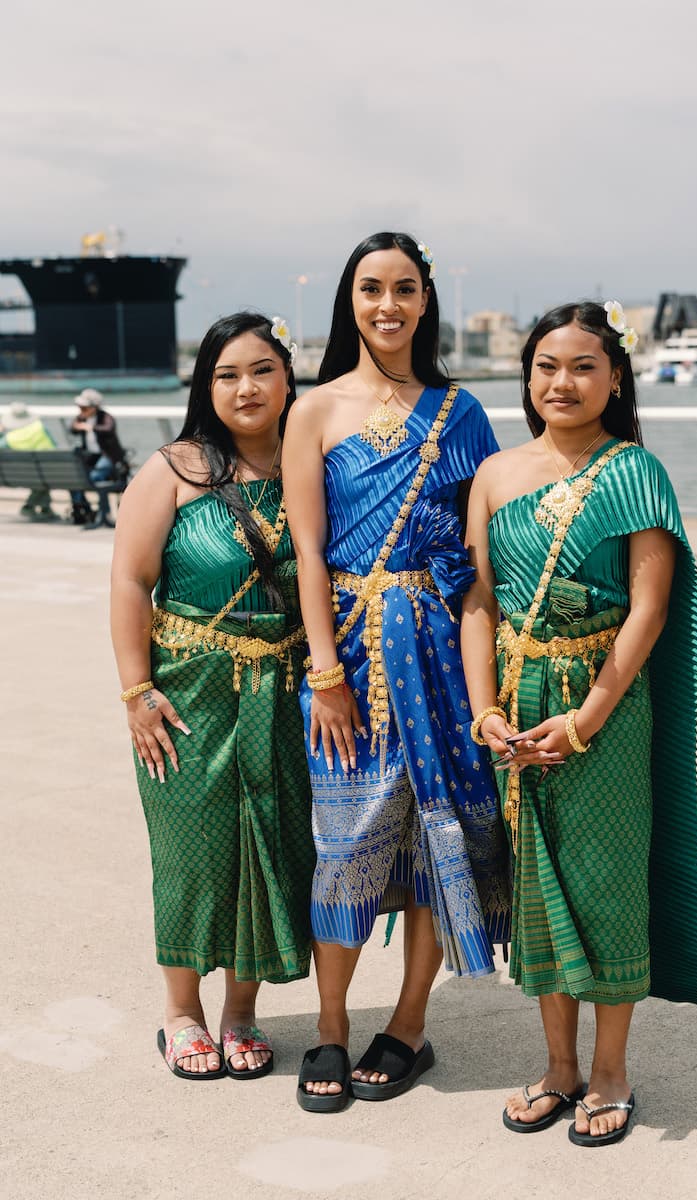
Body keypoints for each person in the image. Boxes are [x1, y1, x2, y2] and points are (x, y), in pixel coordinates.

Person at [461, 300, 697, 1147]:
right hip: (515, 707)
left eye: (583, 366)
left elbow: (648, 611)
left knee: (607, 883)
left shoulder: (634, 473)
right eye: (546, 365)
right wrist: (484, 707)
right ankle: (559, 1066)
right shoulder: (496, 475)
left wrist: (586, 719)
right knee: (538, 889)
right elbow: (477, 600)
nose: (563, 382)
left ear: (614, 378)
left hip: (604, 710)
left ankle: (612, 1069)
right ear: (528, 376)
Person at [282, 232, 510, 1112]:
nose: (388, 305)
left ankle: (409, 1023)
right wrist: (327, 668)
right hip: (350, 649)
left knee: (432, 839)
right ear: (350, 300)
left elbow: (488, 550)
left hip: (447, 653)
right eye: (371, 289)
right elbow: (308, 551)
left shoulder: (464, 411)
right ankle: (331, 1026)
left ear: (426, 300)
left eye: (404, 289)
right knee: (344, 844)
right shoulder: (316, 410)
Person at [110, 311, 315, 1080]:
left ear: (288, 377)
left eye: (261, 369)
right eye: (226, 374)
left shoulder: (312, 466)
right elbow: (130, 581)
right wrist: (136, 692)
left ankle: (241, 1011)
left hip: (287, 691)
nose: (246, 387)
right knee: (193, 852)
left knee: (271, 847)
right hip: (188, 695)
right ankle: (181, 1012)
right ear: (205, 387)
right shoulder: (173, 469)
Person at [70, 388, 129, 528]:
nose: (81, 410)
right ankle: (85, 510)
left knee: (94, 477)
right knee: (77, 479)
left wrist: (90, 427)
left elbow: (108, 428)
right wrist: (80, 425)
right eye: (80, 407)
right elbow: (72, 428)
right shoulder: (82, 417)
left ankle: (102, 513)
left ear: (94, 407)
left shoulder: (105, 417)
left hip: (108, 456)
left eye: (84, 407)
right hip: (92, 457)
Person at [0, 400, 59, 520]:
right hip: (48, 474)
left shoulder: (10, 438)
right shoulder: (40, 429)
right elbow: (54, 447)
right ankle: (42, 508)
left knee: (39, 478)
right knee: (42, 477)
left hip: (19, 476)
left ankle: (32, 507)